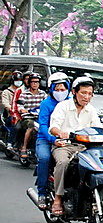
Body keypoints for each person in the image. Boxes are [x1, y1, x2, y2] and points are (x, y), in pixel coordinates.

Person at [48, 77, 103, 216]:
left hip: (86, 147)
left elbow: (98, 127)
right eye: (83, 93)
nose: (86, 97)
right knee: (63, 163)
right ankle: (58, 198)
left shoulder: (91, 110)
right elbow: (53, 126)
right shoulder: (63, 106)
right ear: (74, 92)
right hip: (65, 145)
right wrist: (61, 133)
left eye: (90, 94)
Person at [34, 72, 71, 209]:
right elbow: (43, 125)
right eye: (57, 89)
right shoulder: (46, 104)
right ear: (51, 89)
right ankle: (42, 192)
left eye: (63, 89)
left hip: (67, 139)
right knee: (44, 158)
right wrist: (52, 138)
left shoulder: (71, 102)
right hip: (46, 139)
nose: (60, 92)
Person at [16, 72, 46, 159]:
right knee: (31, 125)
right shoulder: (24, 94)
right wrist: (23, 110)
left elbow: (46, 105)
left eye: (37, 82)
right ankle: (24, 148)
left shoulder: (43, 94)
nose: (35, 84)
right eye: (33, 82)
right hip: (27, 118)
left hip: (40, 118)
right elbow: (19, 106)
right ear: (29, 83)